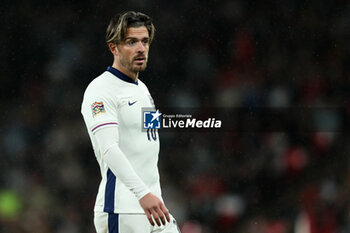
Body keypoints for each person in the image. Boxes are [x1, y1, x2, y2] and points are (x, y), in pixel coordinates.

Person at [81, 11, 180, 233]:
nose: (141, 48)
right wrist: (142, 194)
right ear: (113, 48)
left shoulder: (142, 89)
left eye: (145, 41)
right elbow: (109, 148)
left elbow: (147, 141)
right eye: (131, 42)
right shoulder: (100, 90)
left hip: (155, 207)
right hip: (122, 209)